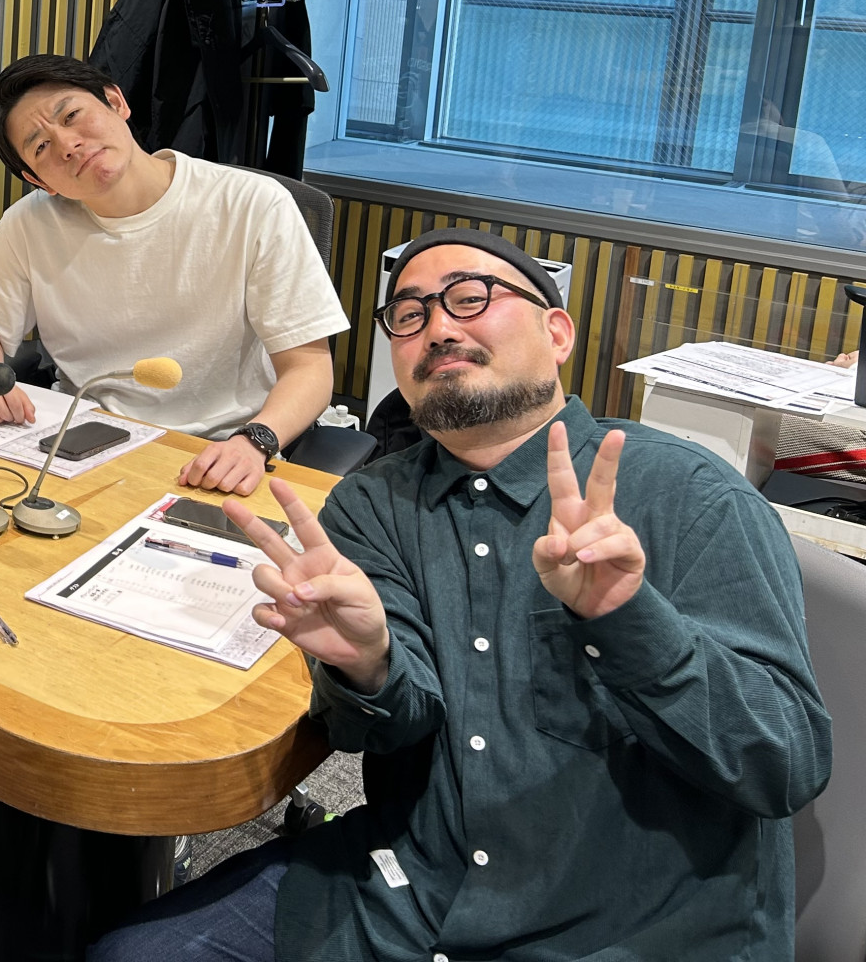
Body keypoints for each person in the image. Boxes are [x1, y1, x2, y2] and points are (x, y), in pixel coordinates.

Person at [90, 228, 832, 962]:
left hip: (631, 920)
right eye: (409, 315)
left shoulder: (688, 493)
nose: (439, 328)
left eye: (471, 298)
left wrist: (628, 620)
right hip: (410, 886)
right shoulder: (372, 504)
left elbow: (784, 763)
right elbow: (392, 730)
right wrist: (369, 667)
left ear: (557, 333)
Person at [0, 55, 347, 495]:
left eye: (72, 115)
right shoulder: (29, 224)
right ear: (38, 179)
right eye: (41, 146)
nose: (67, 145)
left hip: (219, 448)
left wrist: (255, 441)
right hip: (82, 441)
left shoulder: (252, 204)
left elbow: (309, 369)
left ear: (116, 102)